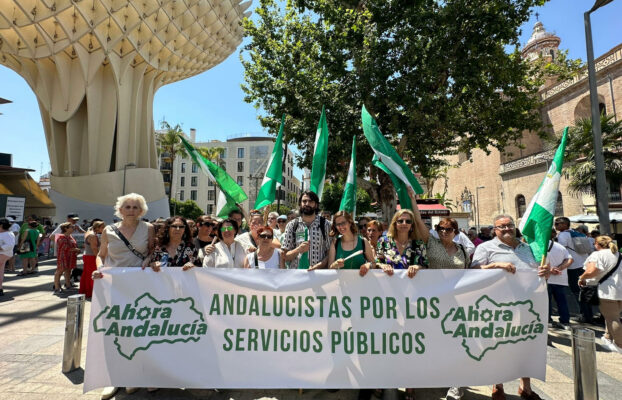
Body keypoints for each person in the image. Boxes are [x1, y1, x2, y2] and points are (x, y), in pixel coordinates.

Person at [471, 214, 549, 400]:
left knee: (526, 344)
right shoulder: (485, 247)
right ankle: (498, 385)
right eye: (501, 227)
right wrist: (496, 265)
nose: (506, 229)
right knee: (498, 345)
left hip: (528, 304)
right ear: (494, 230)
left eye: (509, 225)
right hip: (499, 305)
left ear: (515, 227)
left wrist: (546, 271)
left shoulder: (530, 248)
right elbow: (473, 270)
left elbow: (541, 271)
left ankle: (526, 387)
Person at [92, 193, 155, 400]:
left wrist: (149, 261)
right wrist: (99, 269)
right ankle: (112, 379)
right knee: (113, 332)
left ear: (142, 210)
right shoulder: (108, 230)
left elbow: (152, 252)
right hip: (114, 286)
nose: (131, 210)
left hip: (140, 286)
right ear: (120, 210)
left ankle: (134, 375)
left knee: (139, 332)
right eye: (127, 207)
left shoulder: (149, 228)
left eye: (135, 207)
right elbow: (101, 256)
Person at [579, 236, 622, 353]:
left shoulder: (597, 255)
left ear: (597, 244)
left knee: (612, 318)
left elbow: (592, 271)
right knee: (614, 316)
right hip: (619, 290)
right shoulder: (618, 254)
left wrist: (582, 277)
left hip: (607, 291)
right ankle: (608, 337)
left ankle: (619, 345)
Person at [375, 188, 428, 279]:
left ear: (412, 225)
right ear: (395, 224)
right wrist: (382, 266)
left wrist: (418, 267)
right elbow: (377, 262)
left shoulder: (419, 244)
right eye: (400, 221)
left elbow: (426, 266)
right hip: (388, 288)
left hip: (413, 289)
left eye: (408, 221)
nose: (404, 223)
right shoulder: (383, 241)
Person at [555, 216, 594, 323]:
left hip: (573, 267)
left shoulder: (563, 235)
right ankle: (589, 315)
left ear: (564, 225)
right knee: (585, 291)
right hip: (585, 265)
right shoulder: (578, 233)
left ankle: (584, 315)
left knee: (578, 292)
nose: (556, 225)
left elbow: (560, 251)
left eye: (558, 223)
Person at [282, 191, 332, 270]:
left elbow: (330, 254)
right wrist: (298, 250)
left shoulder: (326, 225)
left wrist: (317, 267)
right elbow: (285, 256)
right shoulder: (292, 225)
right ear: (300, 204)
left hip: (318, 275)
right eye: (304, 201)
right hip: (297, 275)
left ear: (316, 205)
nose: (307, 204)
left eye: (311, 201)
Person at [327, 211, 375, 276]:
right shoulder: (335, 243)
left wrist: (368, 265)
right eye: (337, 224)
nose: (341, 226)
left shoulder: (363, 241)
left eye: (343, 223)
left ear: (350, 222)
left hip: (361, 284)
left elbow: (373, 264)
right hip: (341, 285)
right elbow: (329, 268)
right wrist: (334, 265)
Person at [547, 229, 573, 330]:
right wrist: (560, 268)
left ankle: (548, 320)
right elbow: (570, 259)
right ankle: (565, 322)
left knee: (547, 301)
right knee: (562, 301)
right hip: (560, 278)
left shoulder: (537, 246)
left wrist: (550, 270)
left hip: (546, 278)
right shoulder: (560, 246)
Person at [79, 221, 105, 298]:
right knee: (92, 274)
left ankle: (86, 291)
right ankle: (91, 292)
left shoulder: (89, 232)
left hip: (88, 256)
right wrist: (100, 258)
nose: (104, 229)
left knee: (87, 274)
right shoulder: (92, 235)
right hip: (91, 256)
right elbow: (94, 248)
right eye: (102, 227)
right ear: (97, 228)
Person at [54, 222, 80, 293]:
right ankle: (57, 287)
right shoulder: (61, 237)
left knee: (68, 270)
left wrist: (77, 250)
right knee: (60, 271)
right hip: (63, 256)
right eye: (71, 227)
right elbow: (65, 247)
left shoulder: (70, 236)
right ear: (66, 228)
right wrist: (76, 249)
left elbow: (73, 245)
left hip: (71, 256)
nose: (73, 228)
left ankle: (68, 285)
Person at [0, 218, 16, 296]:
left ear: (1, 225)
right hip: (3, 254)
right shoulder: (6, 233)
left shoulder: (7, 234)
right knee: (1, 271)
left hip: (3, 254)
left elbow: (9, 245)